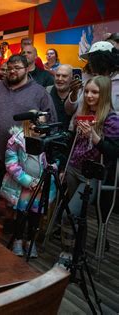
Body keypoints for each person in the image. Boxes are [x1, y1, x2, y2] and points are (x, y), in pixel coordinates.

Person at [0, 54, 57, 226]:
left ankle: (10, 220)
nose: (12, 71)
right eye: (9, 68)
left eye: (17, 68)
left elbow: (49, 120)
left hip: (20, 154)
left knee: (13, 189)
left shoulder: (39, 93)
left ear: (27, 69)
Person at [57, 76, 119, 268]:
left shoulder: (111, 119)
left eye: (95, 92)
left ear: (105, 94)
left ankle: (67, 254)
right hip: (73, 169)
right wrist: (64, 167)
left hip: (92, 175)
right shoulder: (82, 112)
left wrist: (94, 137)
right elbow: (72, 144)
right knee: (78, 216)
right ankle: (78, 251)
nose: (90, 95)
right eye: (88, 91)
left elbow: (114, 152)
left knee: (70, 214)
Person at [0, 115, 56, 257]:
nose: (36, 128)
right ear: (27, 124)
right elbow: (11, 164)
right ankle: (18, 241)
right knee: (21, 214)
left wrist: (46, 179)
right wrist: (28, 181)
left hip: (41, 185)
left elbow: (53, 162)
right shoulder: (16, 140)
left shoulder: (47, 141)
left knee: (35, 216)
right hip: (23, 186)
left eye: (40, 125)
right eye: (33, 124)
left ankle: (31, 241)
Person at [66, 41, 119, 114]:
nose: (90, 63)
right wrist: (74, 93)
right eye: (89, 60)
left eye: (94, 60)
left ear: (106, 60)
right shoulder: (85, 78)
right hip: (79, 124)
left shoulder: (117, 81)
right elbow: (69, 111)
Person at [46, 64, 74, 130]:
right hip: (50, 137)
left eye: (64, 76)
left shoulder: (78, 94)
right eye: (57, 75)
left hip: (71, 138)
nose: (60, 79)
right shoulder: (47, 91)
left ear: (72, 78)